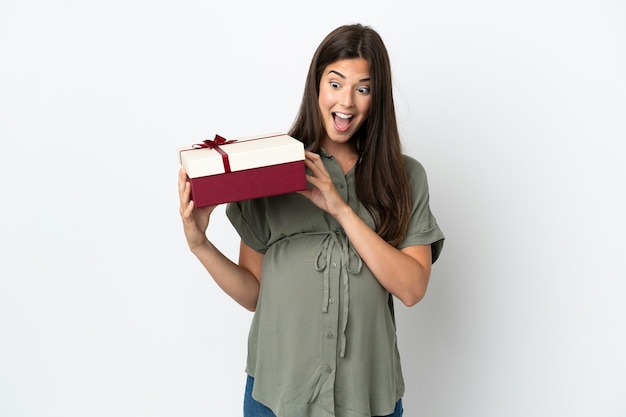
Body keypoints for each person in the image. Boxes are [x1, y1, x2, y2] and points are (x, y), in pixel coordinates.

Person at [178, 23, 444, 417]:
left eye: (363, 88)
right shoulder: (270, 169)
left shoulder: (404, 178)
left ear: (378, 97)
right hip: (278, 396)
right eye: (335, 84)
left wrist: (340, 208)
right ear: (316, 86)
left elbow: (411, 288)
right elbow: (254, 294)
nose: (347, 102)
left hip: (367, 398)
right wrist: (200, 244)